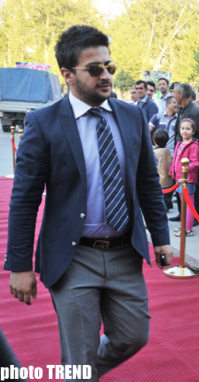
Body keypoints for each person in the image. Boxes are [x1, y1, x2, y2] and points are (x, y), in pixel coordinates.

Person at [5, 25, 172, 381]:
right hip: (72, 255)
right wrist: (19, 265)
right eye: (94, 69)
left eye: (109, 67)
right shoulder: (43, 122)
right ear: (67, 75)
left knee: (133, 336)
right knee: (79, 358)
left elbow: (146, 182)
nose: (106, 75)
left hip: (125, 251)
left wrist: (161, 235)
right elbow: (24, 200)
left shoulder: (132, 116)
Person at [170, 118, 199, 237]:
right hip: (178, 178)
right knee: (183, 204)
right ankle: (184, 226)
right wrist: (172, 170)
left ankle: (188, 229)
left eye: (188, 129)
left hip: (188, 179)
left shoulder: (194, 146)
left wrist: (186, 168)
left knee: (189, 204)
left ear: (193, 131)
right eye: (183, 128)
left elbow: (197, 163)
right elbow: (175, 159)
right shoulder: (179, 143)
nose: (185, 131)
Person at [153, 129, 173, 211]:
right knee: (168, 194)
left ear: (154, 141)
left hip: (159, 178)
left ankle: (164, 206)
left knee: (160, 195)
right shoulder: (168, 151)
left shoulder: (154, 152)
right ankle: (168, 204)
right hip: (169, 177)